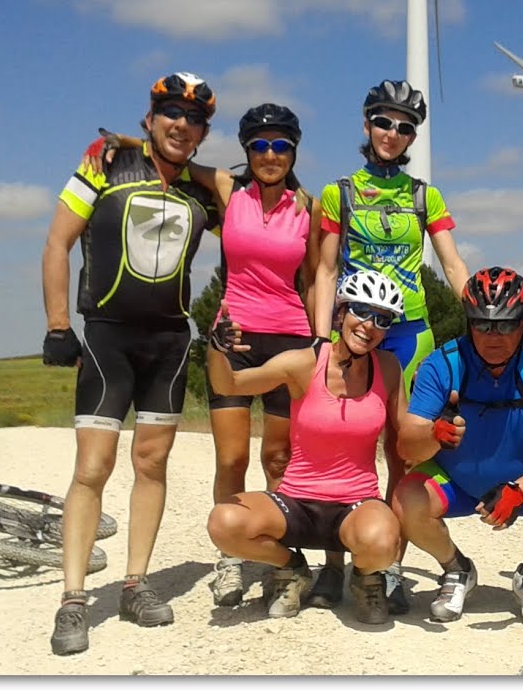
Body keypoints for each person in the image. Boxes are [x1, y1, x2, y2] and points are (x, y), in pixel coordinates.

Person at [40, 72, 221, 655]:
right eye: (170, 112)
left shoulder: (202, 192)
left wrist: (193, 167)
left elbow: (246, 191)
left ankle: (135, 583)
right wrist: (58, 325)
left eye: (193, 120)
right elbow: (56, 243)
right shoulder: (104, 164)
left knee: (152, 463)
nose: (181, 124)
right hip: (108, 336)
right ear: (151, 116)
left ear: (203, 133)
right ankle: (73, 600)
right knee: (93, 467)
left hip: (169, 341)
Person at [306, 79, 471, 613]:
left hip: (409, 331)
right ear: (366, 124)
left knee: (404, 450)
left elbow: (450, 262)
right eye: (383, 121)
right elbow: (326, 268)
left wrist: (484, 319)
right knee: (341, 446)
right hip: (351, 329)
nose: (392, 134)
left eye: (405, 127)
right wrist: (318, 337)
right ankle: (335, 562)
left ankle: (390, 565)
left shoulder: (425, 195)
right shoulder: (339, 192)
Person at [174, 104, 322, 609]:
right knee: (232, 457)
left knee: (278, 459)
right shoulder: (227, 190)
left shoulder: (310, 205)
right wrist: (121, 147)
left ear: (294, 151)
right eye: (259, 146)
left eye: (281, 145)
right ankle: (230, 556)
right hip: (233, 338)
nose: (270, 154)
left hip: (290, 337)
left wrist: (320, 339)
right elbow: (171, 153)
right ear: (246, 151)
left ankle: (284, 559)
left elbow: (316, 277)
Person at [205, 270, 407, 626]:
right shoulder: (304, 362)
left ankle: (364, 579)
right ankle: (292, 568)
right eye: (361, 310)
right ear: (341, 312)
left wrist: (440, 424)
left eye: (383, 319)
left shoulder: (388, 368)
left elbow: (405, 439)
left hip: (354, 505)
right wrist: (217, 348)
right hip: (296, 501)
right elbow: (230, 384)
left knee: (383, 540)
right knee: (224, 522)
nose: (369, 325)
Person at [392, 267, 523, 627]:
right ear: (468, 322)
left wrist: (519, 490)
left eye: (506, 325)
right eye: (483, 324)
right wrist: (434, 434)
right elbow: (407, 444)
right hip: (456, 483)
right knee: (406, 499)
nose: (493, 336)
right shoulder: (442, 365)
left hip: (520, 487)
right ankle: (456, 569)